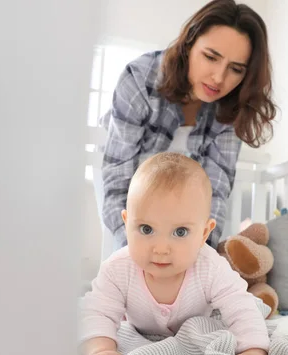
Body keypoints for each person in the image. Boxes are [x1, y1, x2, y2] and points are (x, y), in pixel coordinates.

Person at [101, 0, 276, 251]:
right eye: (210, 57)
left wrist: (199, 256)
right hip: (127, 190)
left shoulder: (231, 107)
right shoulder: (140, 77)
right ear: (189, 44)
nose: (219, 78)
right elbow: (118, 178)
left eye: (235, 69)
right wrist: (134, 248)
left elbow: (215, 192)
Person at [79, 153, 270, 355]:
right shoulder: (117, 269)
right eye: (146, 229)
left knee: (246, 308)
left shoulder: (210, 267)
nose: (160, 248)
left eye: (180, 232)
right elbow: (98, 312)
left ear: (204, 233)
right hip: (139, 328)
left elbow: (239, 305)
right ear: (126, 223)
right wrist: (101, 349)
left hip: (200, 325)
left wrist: (252, 347)